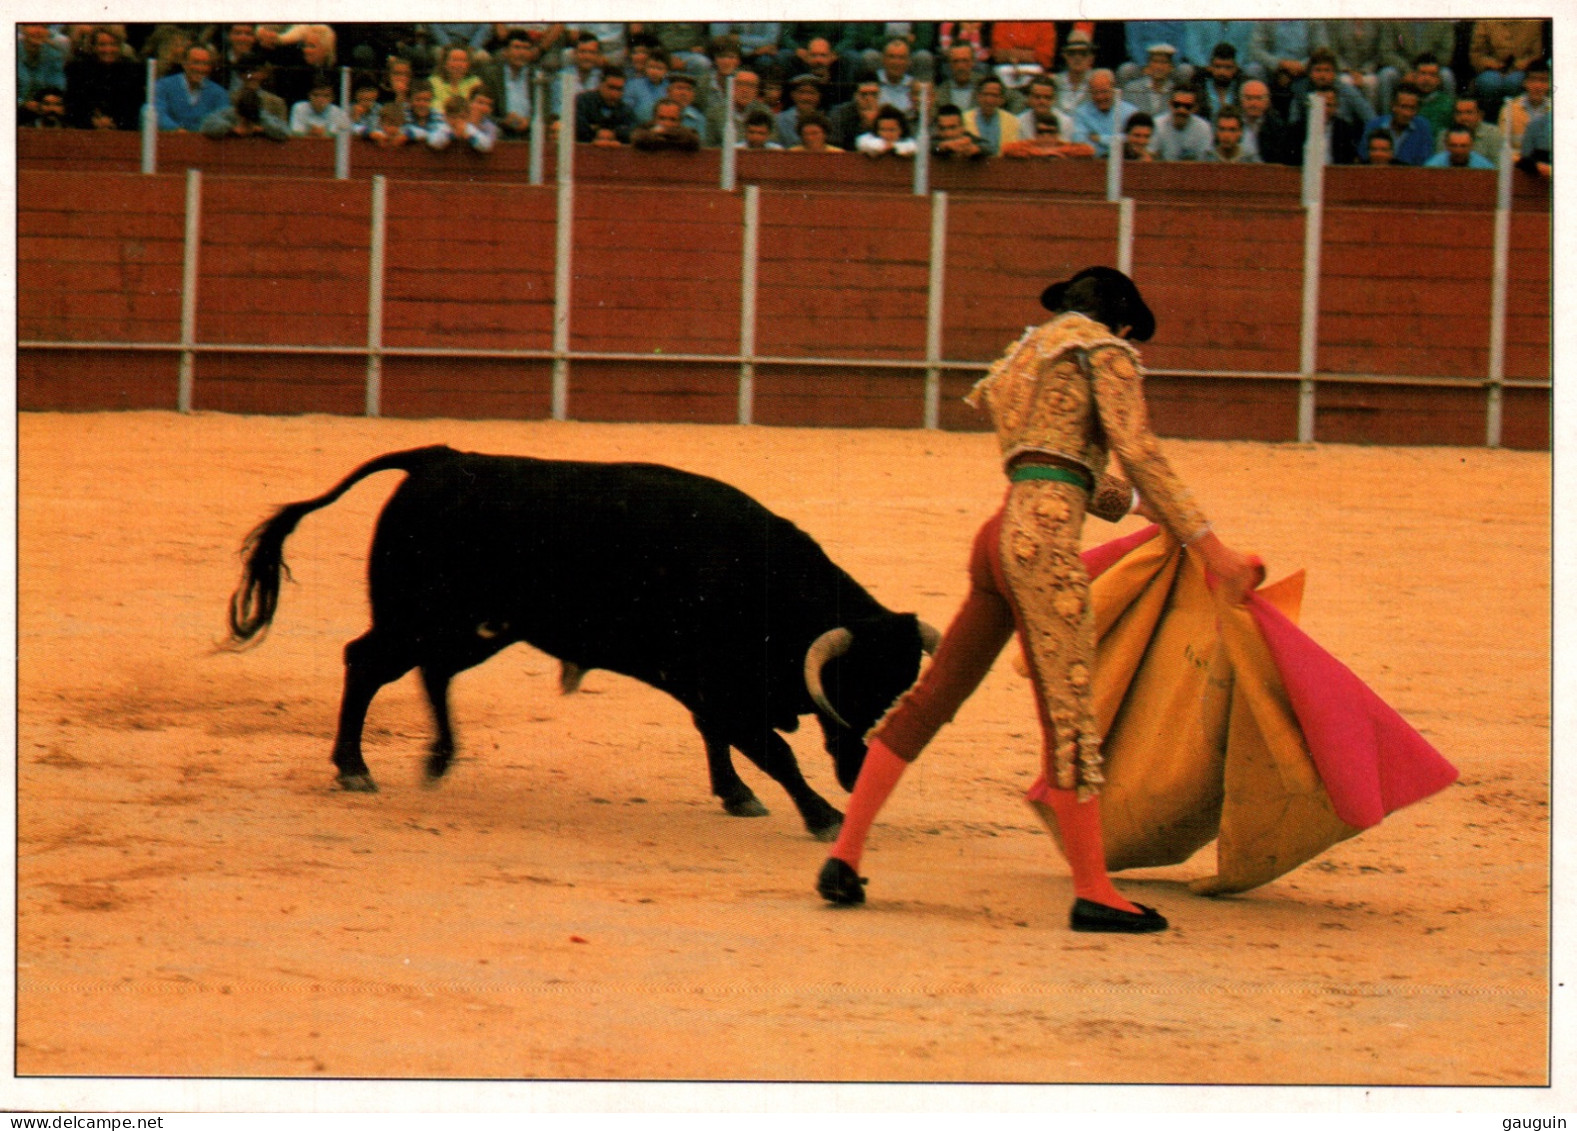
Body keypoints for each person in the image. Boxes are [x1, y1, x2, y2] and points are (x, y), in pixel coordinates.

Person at [815, 266, 1261, 933]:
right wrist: (1213, 550)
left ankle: (844, 856)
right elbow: (1135, 449)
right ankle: (1093, 891)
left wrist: (1149, 516)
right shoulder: (1104, 352)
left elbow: (1055, 463)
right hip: (1044, 544)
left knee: (931, 697)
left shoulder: (1024, 358)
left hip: (1000, 535)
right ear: (1121, 323)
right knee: (1071, 718)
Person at [65, 24, 145, 130]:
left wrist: (113, 122)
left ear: (120, 46)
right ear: (93, 46)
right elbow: (73, 105)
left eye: (113, 44)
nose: (108, 49)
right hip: (85, 129)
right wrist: (92, 121)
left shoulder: (133, 70)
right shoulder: (78, 68)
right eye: (102, 45)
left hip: (122, 129)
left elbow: (134, 106)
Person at [1468, 19, 1545, 118]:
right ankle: (1490, 119)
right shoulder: (1485, 21)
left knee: (1514, 82)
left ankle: (1516, 119)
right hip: (1491, 70)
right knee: (1490, 83)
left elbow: (1536, 55)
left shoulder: (1534, 23)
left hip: (1521, 70)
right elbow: (1476, 54)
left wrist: (1522, 64)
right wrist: (1492, 64)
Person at [155, 43, 230, 132]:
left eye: (205, 63)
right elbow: (157, 112)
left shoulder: (219, 93)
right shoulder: (163, 85)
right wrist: (176, 130)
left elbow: (224, 119)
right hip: (172, 140)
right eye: (196, 62)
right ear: (184, 63)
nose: (200, 68)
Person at [1361, 83, 1434, 167]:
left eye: (1412, 108)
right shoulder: (1374, 125)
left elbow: (1424, 162)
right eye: (1403, 107)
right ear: (1393, 106)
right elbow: (1364, 158)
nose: (1407, 113)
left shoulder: (1423, 127)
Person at [1071, 69, 1139, 157]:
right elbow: (1080, 142)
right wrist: (1117, 141)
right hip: (1092, 163)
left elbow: (1133, 141)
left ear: (1114, 89)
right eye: (1095, 92)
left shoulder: (1131, 112)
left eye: (1104, 91)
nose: (1100, 97)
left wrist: (1100, 138)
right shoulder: (1081, 113)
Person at [1499, 56, 1551, 160]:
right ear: (1525, 83)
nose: (1537, 85)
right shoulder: (1509, 109)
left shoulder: (1556, 110)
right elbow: (1503, 147)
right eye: (1533, 80)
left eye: (1543, 80)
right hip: (1518, 167)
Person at [1238, 77, 1295, 165]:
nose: (1253, 103)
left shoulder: (1277, 127)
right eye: (1249, 98)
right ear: (1240, 100)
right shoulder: (1232, 122)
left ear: (1267, 101)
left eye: (1258, 98)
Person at [1149, 85, 1213, 161]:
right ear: (1170, 104)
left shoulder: (1203, 127)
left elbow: (1205, 160)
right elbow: (1151, 156)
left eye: (1187, 106)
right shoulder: (1157, 124)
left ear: (1195, 108)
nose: (1181, 110)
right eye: (1177, 105)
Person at [18, 24, 67, 122]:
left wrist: (41, 103)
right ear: (22, 28)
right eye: (33, 25)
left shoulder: (53, 54)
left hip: (42, 111)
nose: (38, 31)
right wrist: (22, 103)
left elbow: (58, 87)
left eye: (44, 27)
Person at [200, 86, 290, 140]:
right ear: (237, 111)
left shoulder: (262, 117)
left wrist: (263, 129)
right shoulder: (229, 113)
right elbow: (206, 125)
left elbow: (285, 132)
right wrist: (230, 128)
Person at [1435, 95, 1504, 164]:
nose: (1463, 117)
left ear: (1480, 115)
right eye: (1459, 113)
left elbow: (1497, 167)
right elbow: (1440, 165)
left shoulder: (1493, 134)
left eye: (1469, 112)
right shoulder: (1444, 135)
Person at [575, 69, 636, 142]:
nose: (614, 94)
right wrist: (597, 132)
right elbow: (576, 126)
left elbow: (632, 132)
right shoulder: (583, 101)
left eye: (619, 89)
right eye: (611, 88)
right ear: (600, 84)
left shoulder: (625, 110)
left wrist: (614, 133)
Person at [1121, 42, 1180, 118]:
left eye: (1164, 62)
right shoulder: (1132, 89)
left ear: (1171, 67)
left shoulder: (1175, 92)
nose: (1159, 67)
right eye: (1155, 61)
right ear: (1148, 66)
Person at [964, 75, 1020, 155]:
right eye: (985, 94)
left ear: (1002, 99)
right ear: (978, 96)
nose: (989, 100)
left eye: (994, 95)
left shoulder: (1012, 121)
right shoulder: (964, 119)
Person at [1002, 111, 1092, 159]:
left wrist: (1058, 151)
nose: (1046, 136)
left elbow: (1089, 150)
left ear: (1057, 135)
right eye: (1041, 132)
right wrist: (1040, 153)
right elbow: (1007, 148)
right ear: (1035, 134)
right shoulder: (1030, 144)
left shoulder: (1063, 145)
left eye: (1050, 132)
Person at [1015, 75, 1074, 144]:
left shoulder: (1065, 122)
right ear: (1029, 98)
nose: (1042, 101)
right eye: (1037, 97)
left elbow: (1065, 150)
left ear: (1054, 100)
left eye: (1047, 97)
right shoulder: (1018, 122)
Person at [829, 77, 883, 150]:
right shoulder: (840, 113)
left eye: (874, 94)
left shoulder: (887, 113)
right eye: (864, 94)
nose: (869, 98)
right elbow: (835, 143)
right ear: (855, 95)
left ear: (880, 95)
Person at [632, 96, 702, 151]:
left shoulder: (687, 134)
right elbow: (639, 138)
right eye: (662, 118)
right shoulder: (644, 129)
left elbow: (693, 140)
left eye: (672, 119)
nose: (667, 123)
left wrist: (664, 133)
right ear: (654, 118)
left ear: (680, 121)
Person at [1197, 42, 1244, 121]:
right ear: (1210, 67)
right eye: (1218, 67)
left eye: (1227, 67)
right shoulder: (1199, 85)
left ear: (1235, 68)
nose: (1222, 72)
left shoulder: (1242, 86)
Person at [775, 74, 824, 148]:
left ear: (819, 96)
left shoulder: (826, 119)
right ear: (793, 95)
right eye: (801, 92)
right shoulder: (779, 120)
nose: (806, 98)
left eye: (811, 93)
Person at [1052, 31, 1096, 114]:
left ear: (1091, 58)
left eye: (1083, 53)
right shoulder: (1055, 82)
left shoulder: (1096, 82)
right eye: (1072, 53)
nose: (1077, 58)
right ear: (1065, 56)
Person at [936, 43, 984, 115]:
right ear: (949, 64)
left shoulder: (985, 86)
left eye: (965, 61)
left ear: (973, 62)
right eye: (956, 61)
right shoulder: (940, 92)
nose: (960, 66)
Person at [1425, 125, 1496, 169]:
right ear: (1446, 145)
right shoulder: (1433, 167)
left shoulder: (1484, 168)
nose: (1458, 150)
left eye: (1463, 146)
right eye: (1454, 145)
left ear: (1472, 145)